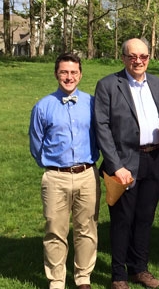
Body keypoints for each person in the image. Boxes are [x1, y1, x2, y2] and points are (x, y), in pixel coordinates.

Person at [94, 38, 159, 289]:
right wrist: (115, 164)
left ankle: (140, 268)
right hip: (124, 163)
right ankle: (118, 275)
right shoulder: (108, 85)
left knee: (144, 218)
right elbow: (102, 127)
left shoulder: (158, 84)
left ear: (149, 58)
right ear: (124, 58)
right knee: (122, 219)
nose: (138, 61)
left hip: (153, 159)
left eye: (143, 56)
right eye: (132, 56)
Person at [29, 53, 101, 289]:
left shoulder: (92, 104)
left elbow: (100, 137)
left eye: (73, 72)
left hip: (87, 174)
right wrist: (53, 165)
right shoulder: (43, 106)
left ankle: (83, 278)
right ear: (56, 74)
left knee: (87, 228)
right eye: (64, 72)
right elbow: (36, 144)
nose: (68, 77)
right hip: (55, 176)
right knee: (54, 229)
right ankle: (57, 280)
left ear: (80, 74)